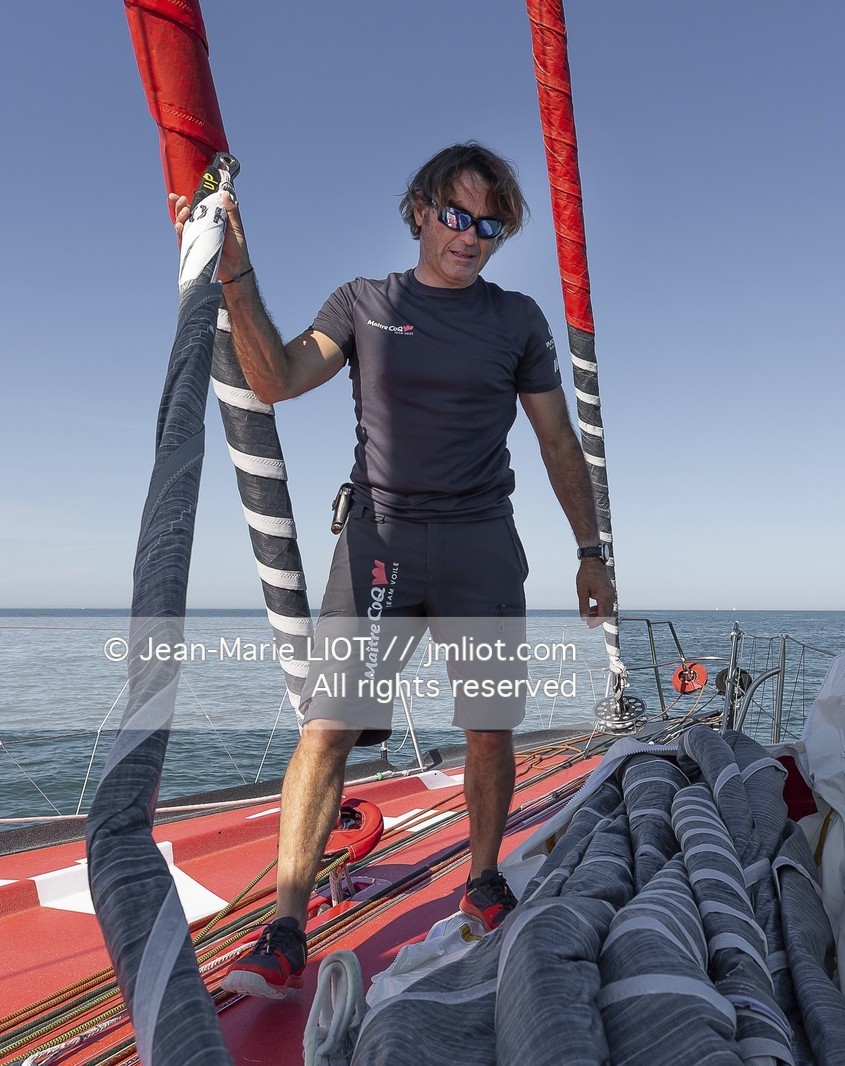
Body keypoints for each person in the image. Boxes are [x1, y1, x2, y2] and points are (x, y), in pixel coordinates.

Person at [172, 143, 614, 999]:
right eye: (455, 215)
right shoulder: (363, 304)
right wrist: (236, 271)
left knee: (489, 727)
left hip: (481, 542)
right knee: (328, 728)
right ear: (419, 212)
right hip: (380, 542)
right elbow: (277, 378)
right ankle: (286, 926)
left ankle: (483, 877)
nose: (470, 236)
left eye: (489, 225)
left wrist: (590, 553)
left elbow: (559, 441)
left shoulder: (518, 319)